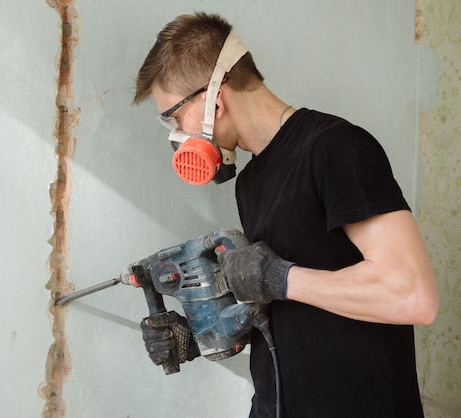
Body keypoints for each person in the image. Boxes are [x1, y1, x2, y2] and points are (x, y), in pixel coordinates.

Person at [133, 12, 439, 418]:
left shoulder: (334, 148)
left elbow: (413, 296)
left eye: (173, 117)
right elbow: (283, 305)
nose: (177, 136)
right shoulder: (251, 181)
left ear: (213, 100)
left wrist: (282, 278)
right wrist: (199, 331)